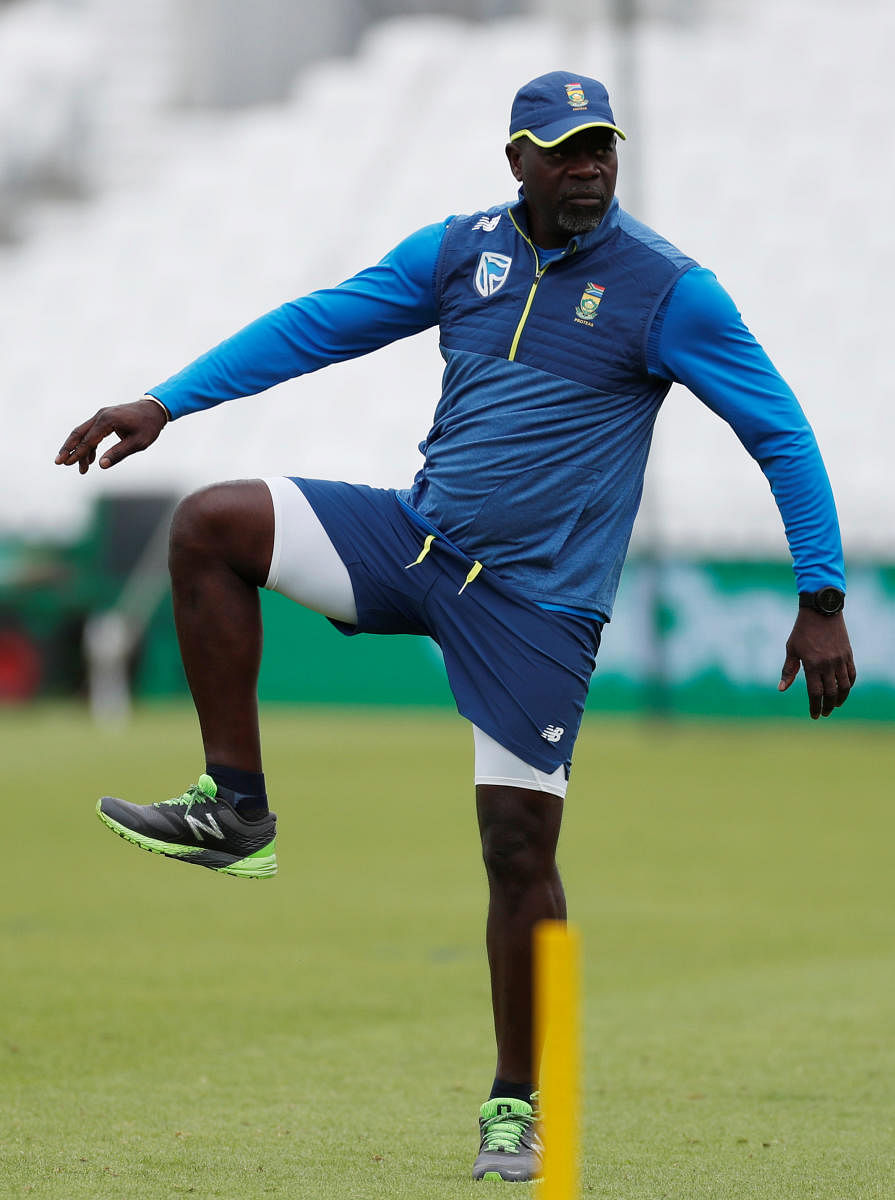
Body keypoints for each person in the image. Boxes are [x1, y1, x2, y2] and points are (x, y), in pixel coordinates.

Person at [56, 70, 856, 1182]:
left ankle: (514, 1105)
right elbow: (312, 329)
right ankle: (235, 808)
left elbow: (781, 433)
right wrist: (164, 401)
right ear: (516, 160)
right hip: (415, 546)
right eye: (563, 149)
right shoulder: (460, 251)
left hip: (535, 609)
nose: (588, 166)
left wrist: (820, 597)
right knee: (209, 526)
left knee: (517, 851)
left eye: (601, 147)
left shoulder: (672, 292)